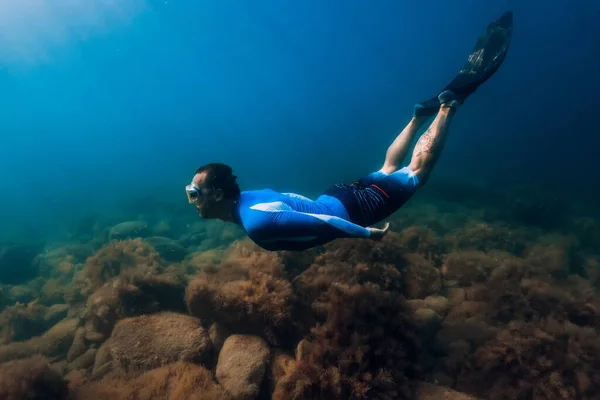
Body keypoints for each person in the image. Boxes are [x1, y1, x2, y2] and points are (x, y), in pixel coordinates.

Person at [185, 12, 513, 252]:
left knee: (415, 173)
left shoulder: (256, 223)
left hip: (351, 208)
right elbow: (295, 201)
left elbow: (323, 224)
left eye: (194, 192)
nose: (190, 198)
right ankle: (415, 119)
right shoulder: (250, 200)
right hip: (336, 197)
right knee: (386, 170)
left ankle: (446, 107)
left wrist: (368, 234)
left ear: (216, 194)